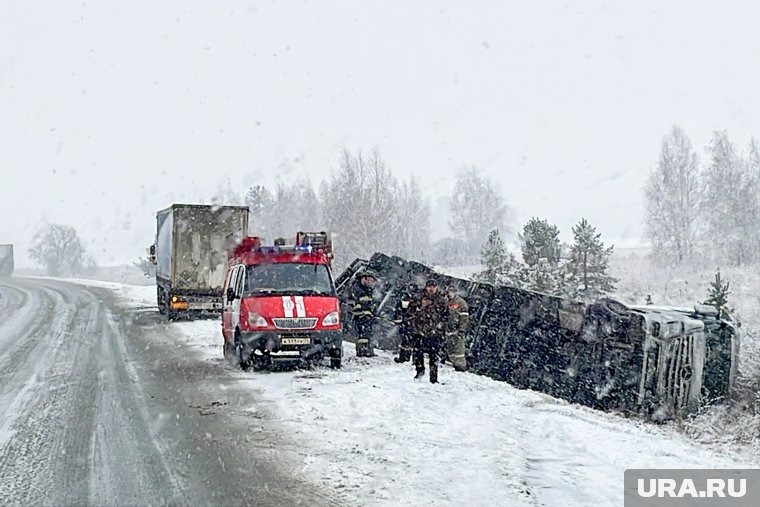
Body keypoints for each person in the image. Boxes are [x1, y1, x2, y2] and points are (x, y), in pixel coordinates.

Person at [412, 279, 449, 383]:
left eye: (433, 286)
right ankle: (420, 371)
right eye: (429, 286)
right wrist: (421, 305)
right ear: (426, 287)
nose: (431, 289)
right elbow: (411, 311)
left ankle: (433, 378)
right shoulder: (419, 297)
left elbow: (446, 315)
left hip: (434, 332)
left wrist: (440, 326)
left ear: (436, 288)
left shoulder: (441, 300)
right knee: (418, 353)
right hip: (420, 331)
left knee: (434, 356)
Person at [351, 269, 377, 357]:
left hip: (366, 316)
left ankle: (368, 350)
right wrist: (364, 312)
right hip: (360, 317)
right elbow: (356, 304)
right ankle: (362, 351)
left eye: (372, 281)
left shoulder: (367, 290)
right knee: (362, 335)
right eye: (369, 280)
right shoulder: (357, 289)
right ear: (364, 279)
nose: (371, 283)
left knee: (367, 333)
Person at [444, 285, 470, 372]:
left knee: (458, 350)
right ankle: (451, 362)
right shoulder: (446, 301)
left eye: (451, 292)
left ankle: (461, 367)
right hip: (448, 330)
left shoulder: (461, 303)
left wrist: (461, 329)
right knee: (450, 349)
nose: (449, 294)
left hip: (456, 331)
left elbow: (464, 318)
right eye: (448, 292)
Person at [392, 282, 420, 363]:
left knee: (415, 341)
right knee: (406, 340)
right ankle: (404, 358)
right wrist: (400, 320)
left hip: (415, 324)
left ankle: (414, 359)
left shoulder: (417, 300)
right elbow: (399, 311)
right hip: (407, 324)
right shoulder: (404, 300)